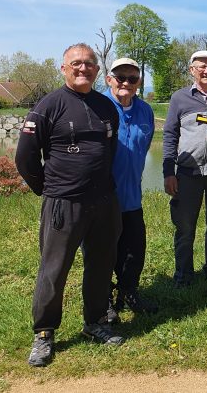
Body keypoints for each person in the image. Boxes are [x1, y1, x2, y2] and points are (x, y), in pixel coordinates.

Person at [16, 43, 123, 367]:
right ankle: (44, 333)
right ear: (63, 68)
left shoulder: (106, 106)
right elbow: (25, 158)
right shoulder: (48, 106)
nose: (83, 69)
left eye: (89, 64)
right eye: (76, 63)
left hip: (104, 201)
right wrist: (47, 190)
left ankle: (95, 322)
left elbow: (110, 149)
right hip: (63, 203)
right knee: (54, 269)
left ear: (97, 70)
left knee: (101, 266)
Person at [162, 50, 207, 287]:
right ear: (192, 70)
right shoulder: (179, 98)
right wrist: (168, 171)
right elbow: (170, 135)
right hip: (187, 172)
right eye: (201, 66)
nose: (206, 70)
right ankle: (183, 274)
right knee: (184, 226)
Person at [103, 58, 157, 321]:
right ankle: (103, 300)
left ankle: (128, 291)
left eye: (132, 78)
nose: (126, 82)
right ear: (109, 79)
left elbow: (143, 148)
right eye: (120, 77)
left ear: (139, 83)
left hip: (132, 196)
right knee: (103, 252)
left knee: (134, 249)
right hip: (101, 199)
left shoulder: (145, 111)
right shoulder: (97, 106)